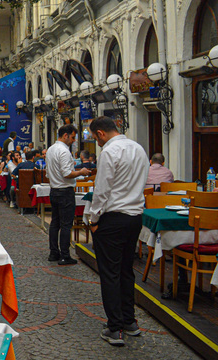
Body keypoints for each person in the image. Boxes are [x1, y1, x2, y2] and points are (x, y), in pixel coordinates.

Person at [87, 116, 149, 346]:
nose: (97, 143)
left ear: (101, 133)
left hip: (112, 219)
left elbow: (102, 189)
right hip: (135, 217)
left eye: (95, 138)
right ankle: (129, 321)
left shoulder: (109, 152)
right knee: (126, 270)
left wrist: (94, 218)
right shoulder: (139, 149)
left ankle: (114, 328)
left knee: (110, 273)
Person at [46, 124, 92, 265]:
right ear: (65, 135)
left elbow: (48, 173)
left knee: (55, 223)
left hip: (54, 190)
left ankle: (53, 253)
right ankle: (65, 255)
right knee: (66, 225)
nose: (73, 140)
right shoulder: (64, 151)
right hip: (65, 191)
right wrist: (81, 172)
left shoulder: (50, 149)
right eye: (72, 137)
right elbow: (67, 174)